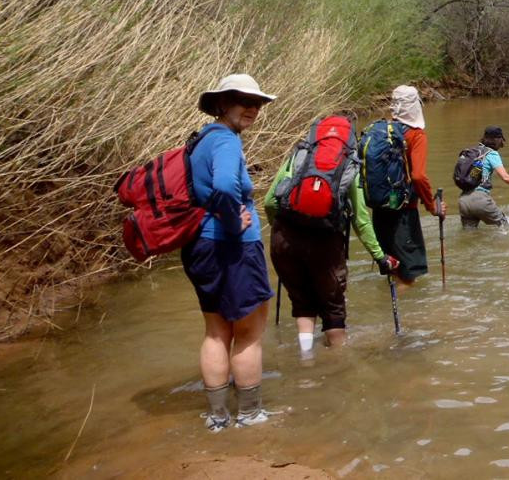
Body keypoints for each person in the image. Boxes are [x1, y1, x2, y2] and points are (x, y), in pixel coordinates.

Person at [184, 73, 276, 431]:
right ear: (222, 104)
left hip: (201, 246)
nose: (252, 109)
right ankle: (250, 415)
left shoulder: (200, 140)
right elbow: (224, 185)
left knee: (216, 332)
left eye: (257, 103)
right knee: (249, 332)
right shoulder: (225, 141)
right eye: (244, 101)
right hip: (232, 246)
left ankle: (218, 417)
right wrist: (232, 218)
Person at [264, 116, 399, 356]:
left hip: (284, 239)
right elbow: (360, 219)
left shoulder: (299, 155)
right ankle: (339, 364)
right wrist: (380, 257)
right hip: (324, 242)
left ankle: (306, 358)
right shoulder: (350, 165)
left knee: (302, 302)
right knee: (333, 309)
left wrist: (282, 230)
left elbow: (270, 201)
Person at [368, 85, 443, 288]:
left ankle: (386, 316)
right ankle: (410, 319)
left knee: (393, 268)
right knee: (408, 276)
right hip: (403, 213)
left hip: (380, 209)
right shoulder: (416, 135)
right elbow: (418, 176)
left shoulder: (382, 131)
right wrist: (432, 205)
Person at [457, 126, 509, 229]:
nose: (502, 143)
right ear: (496, 139)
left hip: (463, 200)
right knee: (508, 227)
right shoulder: (491, 153)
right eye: (501, 139)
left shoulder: (471, 152)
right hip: (480, 200)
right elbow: (506, 177)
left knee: (469, 235)